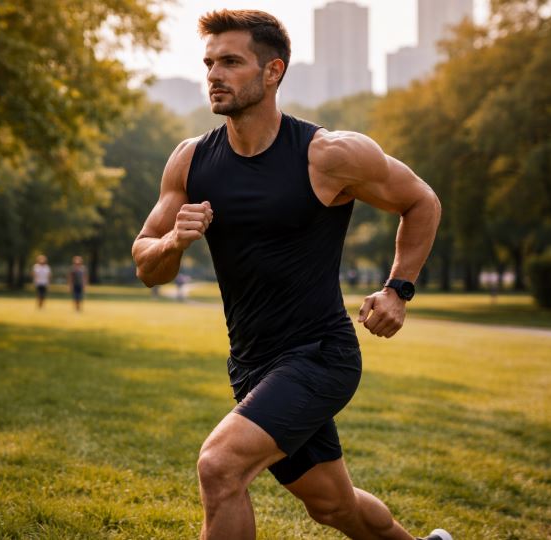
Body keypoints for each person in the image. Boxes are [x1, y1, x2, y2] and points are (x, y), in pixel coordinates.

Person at [131, 9, 447, 540]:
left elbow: (421, 201)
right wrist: (173, 240)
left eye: (231, 62)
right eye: (209, 62)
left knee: (220, 465)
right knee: (333, 505)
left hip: (320, 354)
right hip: (251, 364)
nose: (214, 74)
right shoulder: (190, 162)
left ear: (272, 71)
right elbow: (147, 266)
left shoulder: (327, 155)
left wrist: (398, 289)